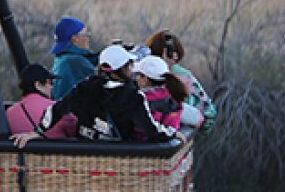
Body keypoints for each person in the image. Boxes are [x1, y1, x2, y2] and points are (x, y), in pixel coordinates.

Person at [12, 45, 180, 147]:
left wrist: (38, 132)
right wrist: (172, 134)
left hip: (84, 150)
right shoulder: (133, 97)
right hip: (116, 157)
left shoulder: (86, 86)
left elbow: (58, 109)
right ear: (123, 68)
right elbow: (150, 129)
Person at [144, 29, 216, 134]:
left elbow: (208, 111)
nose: (175, 56)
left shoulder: (183, 76)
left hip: (177, 128)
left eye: (175, 51)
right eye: (170, 51)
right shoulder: (142, 72)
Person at [6, 63, 77, 138]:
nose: (52, 87)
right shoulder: (57, 109)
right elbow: (75, 130)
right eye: (50, 83)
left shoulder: (9, 113)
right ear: (38, 85)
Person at [134, 56, 184, 136]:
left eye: (138, 75)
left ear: (145, 80)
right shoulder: (171, 99)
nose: (136, 78)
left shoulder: (141, 99)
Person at [50, 16, 95, 100]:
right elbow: (100, 81)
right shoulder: (74, 61)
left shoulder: (61, 59)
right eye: (85, 35)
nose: (88, 39)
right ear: (74, 38)